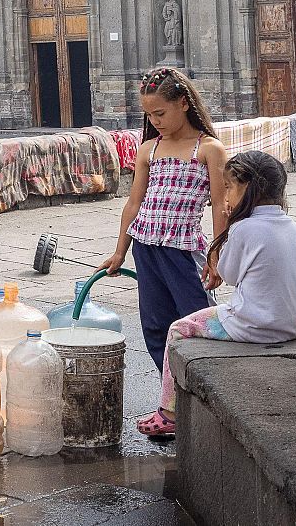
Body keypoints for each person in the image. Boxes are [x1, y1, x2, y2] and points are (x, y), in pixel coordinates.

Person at [139, 151, 296, 438]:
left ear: (248, 188)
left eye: (230, 188)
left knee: (177, 328)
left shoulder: (244, 229)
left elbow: (229, 275)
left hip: (248, 326)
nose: (224, 197)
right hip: (290, 327)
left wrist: (229, 234)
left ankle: (169, 412)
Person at [99, 66, 229, 374]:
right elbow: (134, 204)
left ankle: (206, 388)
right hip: (145, 249)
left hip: (184, 252)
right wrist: (120, 252)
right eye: (150, 116)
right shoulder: (149, 149)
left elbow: (220, 208)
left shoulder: (209, 149)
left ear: (183, 103)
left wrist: (216, 256)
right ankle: (170, 399)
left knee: (197, 320)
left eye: (160, 113)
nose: (155, 122)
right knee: (156, 328)